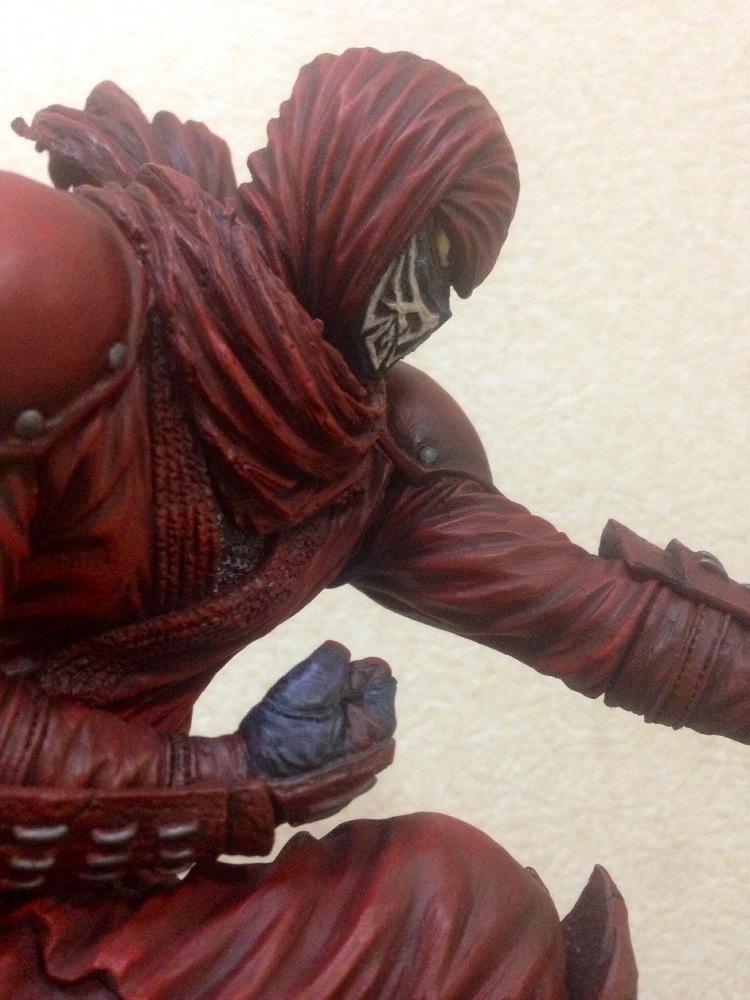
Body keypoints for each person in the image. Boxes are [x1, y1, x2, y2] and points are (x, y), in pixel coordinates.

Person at [0, 46, 745, 998]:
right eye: (421, 258)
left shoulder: (362, 453)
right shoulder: (57, 300)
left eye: (451, 286)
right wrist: (227, 773)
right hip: (72, 861)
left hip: (91, 889)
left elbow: (609, 623)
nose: (422, 311)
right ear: (349, 198)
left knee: (460, 910)